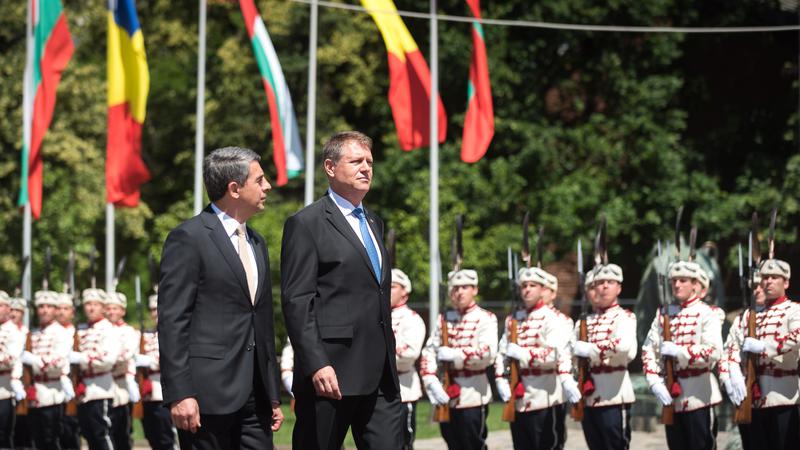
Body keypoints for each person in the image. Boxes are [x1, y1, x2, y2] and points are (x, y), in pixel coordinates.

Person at [281, 131, 401, 449]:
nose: (366, 168)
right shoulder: (306, 224)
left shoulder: (374, 223)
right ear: (330, 167)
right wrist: (317, 362)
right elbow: (297, 301)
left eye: (370, 162)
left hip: (380, 374)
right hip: (331, 373)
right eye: (356, 161)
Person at [159, 146, 283, 449]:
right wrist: (180, 393)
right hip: (206, 398)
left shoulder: (257, 241)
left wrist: (272, 394)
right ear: (235, 188)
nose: (267, 187)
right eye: (260, 180)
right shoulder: (188, 238)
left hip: (256, 398)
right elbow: (173, 321)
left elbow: (261, 321)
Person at [641, 260, 723, 450]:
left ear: (695, 284)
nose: (677, 285)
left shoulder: (706, 313)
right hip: (671, 395)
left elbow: (714, 351)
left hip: (699, 396)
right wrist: (654, 381)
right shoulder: (663, 314)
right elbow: (648, 350)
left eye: (683, 280)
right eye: (674, 280)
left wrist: (680, 352)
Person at [495, 267, 578, 450]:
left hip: (545, 396)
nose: (527, 289)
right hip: (518, 397)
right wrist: (500, 379)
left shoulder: (555, 319)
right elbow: (501, 354)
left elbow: (554, 354)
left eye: (533, 285)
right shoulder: (513, 319)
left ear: (542, 289)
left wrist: (523, 354)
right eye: (524, 285)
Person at [719, 258, 799, 450]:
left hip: (783, 397)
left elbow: (797, 337)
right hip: (751, 398)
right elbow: (731, 348)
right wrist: (732, 373)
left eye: (774, 277)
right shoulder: (748, 316)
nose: (768, 281)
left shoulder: (794, 310)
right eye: (765, 277)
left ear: (785, 282)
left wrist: (765, 347)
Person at [420, 269, 498, 450]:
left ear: (475, 290)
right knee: (452, 442)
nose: (459, 292)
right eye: (455, 288)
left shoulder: (485, 318)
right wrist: (431, 380)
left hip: (473, 394)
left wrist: (456, 355)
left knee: (472, 443)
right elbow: (429, 351)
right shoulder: (444, 319)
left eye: (465, 287)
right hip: (445, 391)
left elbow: (487, 353)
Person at [572, 264, 637, 450]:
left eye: (610, 282)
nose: (605, 287)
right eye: (600, 283)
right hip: (589, 396)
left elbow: (623, 347)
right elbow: (571, 355)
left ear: (619, 288)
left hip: (613, 395)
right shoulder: (584, 322)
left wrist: (590, 350)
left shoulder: (625, 317)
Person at [21, 289, 73, 449]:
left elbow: (57, 362)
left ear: (55, 310)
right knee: (37, 441)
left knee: (52, 440)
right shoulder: (34, 333)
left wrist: (34, 360)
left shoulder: (61, 332)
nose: (44, 310)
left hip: (52, 393)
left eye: (48, 306)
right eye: (41, 307)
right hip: (34, 394)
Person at [71, 288, 120, 450]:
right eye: (88, 304)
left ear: (103, 307)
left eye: (95, 304)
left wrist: (82, 359)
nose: (91, 308)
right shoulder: (81, 329)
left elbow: (109, 359)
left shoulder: (108, 329)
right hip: (83, 390)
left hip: (101, 389)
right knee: (89, 436)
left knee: (102, 434)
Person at [389, 269, 426, 450]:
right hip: (375, 388)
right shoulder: (375, 315)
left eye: (392, 286)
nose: (387, 290)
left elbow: (409, 355)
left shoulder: (412, 319)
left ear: (405, 291)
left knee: (403, 442)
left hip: (403, 388)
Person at [135, 292, 176, 450]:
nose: (156, 313)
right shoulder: (146, 335)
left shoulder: (173, 332)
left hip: (164, 391)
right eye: (153, 309)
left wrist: (151, 362)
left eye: (158, 308)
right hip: (147, 393)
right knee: (151, 436)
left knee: (166, 437)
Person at [106, 291, 139, 450]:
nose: (112, 312)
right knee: (106, 431)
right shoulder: (103, 330)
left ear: (123, 311)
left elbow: (126, 354)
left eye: (115, 308)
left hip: (122, 386)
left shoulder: (129, 332)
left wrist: (104, 359)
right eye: (109, 308)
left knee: (122, 433)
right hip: (104, 385)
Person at [55, 292, 81, 450]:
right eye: (59, 308)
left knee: (71, 432)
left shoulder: (76, 334)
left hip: (72, 387)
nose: (62, 312)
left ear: (72, 312)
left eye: (66, 308)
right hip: (52, 388)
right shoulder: (48, 333)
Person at [0, 291, 25, 447]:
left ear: (8, 309)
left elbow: (10, 358)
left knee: (3, 436)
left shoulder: (13, 331)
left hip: (4, 391)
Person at [9, 297, 32, 450]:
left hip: (24, 382)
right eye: (11, 310)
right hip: (7, 383)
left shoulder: (26, 333)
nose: (14, 314)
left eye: (18, 311)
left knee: (24, 426)